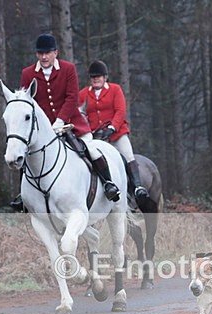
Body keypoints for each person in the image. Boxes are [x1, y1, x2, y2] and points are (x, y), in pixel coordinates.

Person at [11, 33, 120, 212]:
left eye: (47, 53)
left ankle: (108, 184)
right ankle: (23, 198)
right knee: (26, 156)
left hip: (71, 123)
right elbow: (26, 101)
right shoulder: (27, 73)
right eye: (40, 53)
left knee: (91, 149)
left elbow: (72, 98)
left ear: (56, 52)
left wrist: (60, 120)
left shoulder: (68, 69)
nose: (44, 57)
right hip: (42, 130)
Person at [78, 60, 154, 210]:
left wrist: (112, 128)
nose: (96, 79)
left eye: (98, 76)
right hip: (95, 136)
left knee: (128, 155)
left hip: (116, 134)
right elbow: (79, 112)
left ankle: (138, 187)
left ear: (105, 77)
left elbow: (120, 111)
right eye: (93, 77)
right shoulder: (84, 94)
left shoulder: (115, 89)